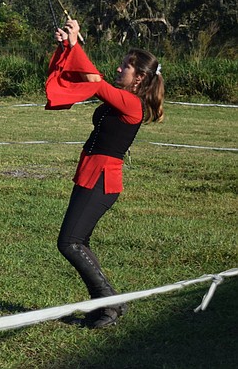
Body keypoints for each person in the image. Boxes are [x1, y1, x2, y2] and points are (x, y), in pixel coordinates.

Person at [46, 19, 164, 329]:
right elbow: (94, 79)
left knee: (69, 243)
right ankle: (104, 305)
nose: (119, 68)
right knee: (78, 242)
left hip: (102, 180)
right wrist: (68, 46)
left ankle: (110, 304)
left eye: (126, 66)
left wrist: (75, 45)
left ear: (138, 78)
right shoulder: (121, 97)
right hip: (90, 174)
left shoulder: (133, 105)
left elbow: (96, 83)